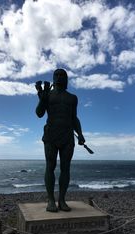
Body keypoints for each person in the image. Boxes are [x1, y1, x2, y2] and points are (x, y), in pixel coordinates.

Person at [35, 69, 85, 212]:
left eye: (62, 75)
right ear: (53, 78)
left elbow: (74, 118)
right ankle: (51, 200)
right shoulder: (47, 95)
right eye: (56, 74)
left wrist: (80, 134)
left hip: (67, 136)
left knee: (66, 168)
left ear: (66, 78)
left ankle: (62, 200)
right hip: (51, 134)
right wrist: (42, 99)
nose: (59, 77)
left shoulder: (72, 98)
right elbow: (39, 113)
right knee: (50, 166)